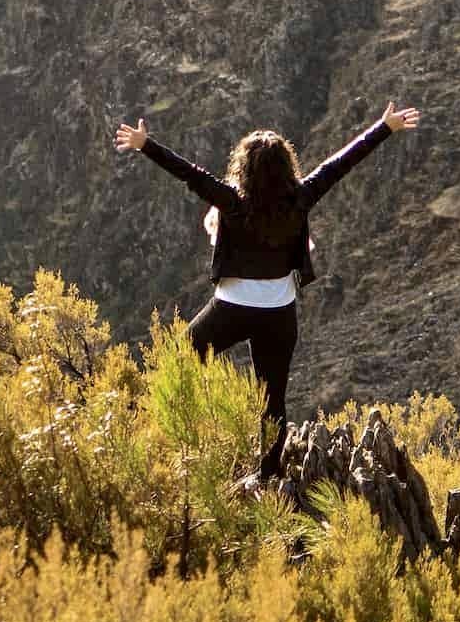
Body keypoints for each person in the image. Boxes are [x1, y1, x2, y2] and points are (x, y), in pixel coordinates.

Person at [113, 101, 421, 483]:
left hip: (230, 310)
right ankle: (269, 477)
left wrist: (146, 144)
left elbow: (189, 174)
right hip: (279, 314)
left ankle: (138, 430)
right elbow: (339, 165)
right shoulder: (301, 197)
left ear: (245, 167)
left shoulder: (232, 201)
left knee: (176, 361)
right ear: (285, 168)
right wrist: (384, 127)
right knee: (272, 400)